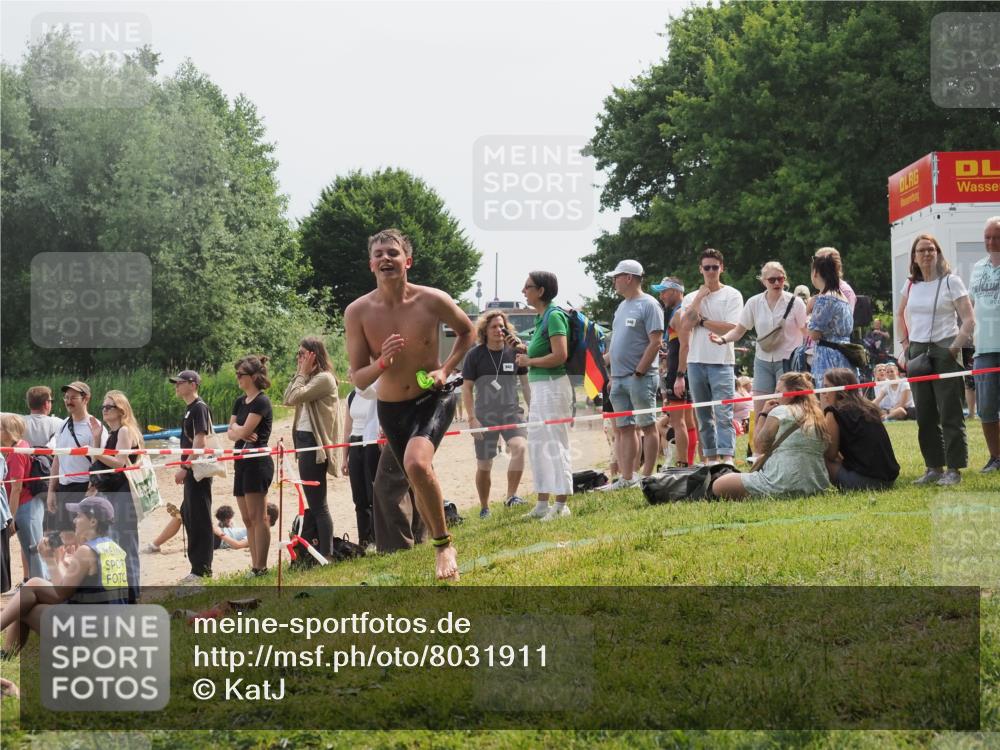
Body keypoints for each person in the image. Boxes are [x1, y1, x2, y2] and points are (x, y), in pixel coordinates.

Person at [344, 228, 475, 580]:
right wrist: (382, 362)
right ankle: (433, 537)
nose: (385, 258)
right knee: (416, 478)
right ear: (371, 264)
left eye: (393, 252)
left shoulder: (432, 299)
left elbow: (468, 331)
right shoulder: (357, 312)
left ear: (408, 261)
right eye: (378, 254)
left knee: (416, 464)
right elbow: (359, 379)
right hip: (391, 409)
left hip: (433, 398)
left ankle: (444, 546)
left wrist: (445, 369)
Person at [1, 496, 127, 657]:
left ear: (93, 521)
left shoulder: (86, 551)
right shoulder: (113, 547)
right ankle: (5, 655)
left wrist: (51, 560)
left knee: (23, 608)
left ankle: (6, 655)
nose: (74, 520)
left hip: (92, 632)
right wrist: (65, 564)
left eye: (79, 516)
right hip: (112, 627)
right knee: (33, 585)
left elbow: (61, 593)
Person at [898, 234, 975, 486]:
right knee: (925, 414)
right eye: (921, 250)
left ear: (938, 253)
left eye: (931, 249)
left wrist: (954, 348)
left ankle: (954, 469)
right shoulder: (910, 285)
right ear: (914, 257)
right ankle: (933, 467)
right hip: (918, 351)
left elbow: (969, 319)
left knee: (950, 412)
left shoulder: (952, 281)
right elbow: (899, 314)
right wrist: (905, 345)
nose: (927, 254)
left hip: (945, 348)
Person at [504, 271, 574, 520]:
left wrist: (529, 360)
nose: (523, 291)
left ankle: (561, 505)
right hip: (542, 388)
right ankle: (543, 502)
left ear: (541, 291)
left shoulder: (554, 316)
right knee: (538, 444)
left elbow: (560, 355)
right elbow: (542, 350)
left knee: (555, 444)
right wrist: (522, 348)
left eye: (528, 287)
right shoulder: (541, 318)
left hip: (554, 387)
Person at [710, 261, 807, 422]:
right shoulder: (754, 302)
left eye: (780, 279)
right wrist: (723, 339)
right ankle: (759, 439)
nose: (776, 283)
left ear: (785, 279)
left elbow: (806, 332)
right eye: (772, 280)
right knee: (761, 412)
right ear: (763, 281)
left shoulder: (796, 302)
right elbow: (739, 330)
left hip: (788, 362)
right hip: (762, 361)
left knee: (787, 412)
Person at [597, 259, 664, 490]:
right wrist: (608, 368)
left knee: (648, 426)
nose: (614, 282)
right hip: (618, 379)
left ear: (628, 278)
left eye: (616, 277)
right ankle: (627, 477)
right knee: (624, 428)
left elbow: (656, 342)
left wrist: (639, 371)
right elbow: (617, 343)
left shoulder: (650, 304)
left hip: (640, 377)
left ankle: (647, 477)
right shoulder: (621, 306)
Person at [711, 372, 830, 499]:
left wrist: (763, 414)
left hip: (780, 483)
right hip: (816, 486)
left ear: (792, 394)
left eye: (778, 391)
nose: (774, 395)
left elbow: (759, 447)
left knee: (719, 485)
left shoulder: (780, 411)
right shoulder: (819, 417)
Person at [461, 310, 530, 518]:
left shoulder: (515, 352)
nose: (499, 330)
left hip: (511, 411)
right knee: (485, 464)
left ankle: (511, 497)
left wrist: (533, 410)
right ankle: (484, 507)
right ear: (485, 330)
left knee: (519, 447)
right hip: (485, 414)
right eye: (494, 327)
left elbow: (525, 385)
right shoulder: (475, 355)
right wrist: (472, 419)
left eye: (502, 326)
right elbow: (466, 389)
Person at [282, 336, 343, 558]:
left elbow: (294, 397)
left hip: (314, 445)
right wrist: (302, 373)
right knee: (315, 502)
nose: (298, 358)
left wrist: (301, 374)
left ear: (313, 355)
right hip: (304, 441)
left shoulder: (324, 378)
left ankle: (327, 554)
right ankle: (323, 551)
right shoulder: (309, 378)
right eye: (298, 354)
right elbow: (287, 397)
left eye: (302, 354)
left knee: (318, 505)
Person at [682, 248, 744, 465]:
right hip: (695, 361)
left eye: (714, 267)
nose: (710, 271)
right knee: (703, 416)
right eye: (706, 267)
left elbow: (731, 327)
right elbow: (685, 324)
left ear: (721, 268)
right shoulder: (691, 297)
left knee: (724, 413)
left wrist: (702, 321)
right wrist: (700, 297)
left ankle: (727, 459)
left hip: (722, 362)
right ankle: (710, 459)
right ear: (700, 269)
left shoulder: (733, 295)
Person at [88, 390, 142, 603]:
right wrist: (95, 439)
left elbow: (119, 463)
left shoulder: (125, 431)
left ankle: (133, 594)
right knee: (115, 542)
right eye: (103, 406)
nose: (104, 410)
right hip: (112, 493)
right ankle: (122, 592)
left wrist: (96, 450)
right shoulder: (113, 433)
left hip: (123, 493)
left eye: (109, 406)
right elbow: (100, 462)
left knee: (126, 543)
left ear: (121, 410)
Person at [227, 355, 275, 576]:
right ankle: (254, 565)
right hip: (240, 461)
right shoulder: (240, 401)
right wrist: (239, 430)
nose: (237, 377)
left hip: (257, 462)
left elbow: (243, 431)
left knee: (259, 517)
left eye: (241, 374)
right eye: (237, 374)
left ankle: (261, 567)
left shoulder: (261, 401)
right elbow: (231, 433)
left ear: (254, 376)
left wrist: (238, 429)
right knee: (247, 518)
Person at [46, 382, 107, 546]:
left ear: (86, 399)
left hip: (84, 488)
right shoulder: (63, 424)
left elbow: (101, 463)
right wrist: (51, 490)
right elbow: (57, 459)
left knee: (83, 537)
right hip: (64, 488)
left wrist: (92, 488)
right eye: (66, 397)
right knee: (66, 538)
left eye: (73, 398)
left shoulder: (96, 427)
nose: (68, 401)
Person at [820, 368, 899, 491]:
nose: (823, 393)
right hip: (889, 479)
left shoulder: (833, 413)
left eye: (826, 387)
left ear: (840, 389)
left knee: (818, 456)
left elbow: (830, 454)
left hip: (863, 481)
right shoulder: (869, 408)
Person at [170, 370, 215, 583]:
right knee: (189, 515)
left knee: (200, 518)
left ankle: (202, 570)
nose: (176, 385)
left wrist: (185, 468)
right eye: (176, 382)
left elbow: (200, 442)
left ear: (193, 384)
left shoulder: (199, 407)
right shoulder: (190, 409)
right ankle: (197, 568)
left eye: (180, 382)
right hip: (192, 471)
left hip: (198, 472)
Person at [19, 386, 63, 580]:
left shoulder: (20, 423)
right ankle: (55, 574)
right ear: (47, 404)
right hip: (51, 480)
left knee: (29, 534)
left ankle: (28, 576)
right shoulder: (57, 423)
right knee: (52, 530)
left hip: (27, 483)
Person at [653, 276, 697, 468]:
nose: (661, 296)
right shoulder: (680, 312)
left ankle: (683, 464)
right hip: (682, 370)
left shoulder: (679, 313)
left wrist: (679, 376)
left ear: (676, 291)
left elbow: (685, 346)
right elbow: (680, 344)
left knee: (678, 422)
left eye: (664, 291)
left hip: (678, 373)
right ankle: (688, 463)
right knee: (688, 421)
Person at [969, 215, 1000, 472]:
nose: (991, 242)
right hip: (984, 349)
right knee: (986, 409)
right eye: (987, 237)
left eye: (997, 237)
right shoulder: (978, 268)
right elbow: (970, 305)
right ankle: (996, 457)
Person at [2, 414, 42, 584]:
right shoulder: (19, 446)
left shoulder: (16, 453)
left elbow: (16, 488)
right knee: (31, 549)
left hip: (24, 506)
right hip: (26, 505)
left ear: (9, 431)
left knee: (33, 550)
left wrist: (11, 517)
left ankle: (42, 586)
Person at [343, 370, 379, 547]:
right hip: (355, 443)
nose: (350, 374)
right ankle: (364, 540)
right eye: (350, 372)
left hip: (370, 442)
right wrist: (345, 457)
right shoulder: (350, 397)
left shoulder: (373, 393)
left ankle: (377, 537)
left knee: (372, 494)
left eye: (354, 371)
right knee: (359, 496)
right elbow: (347, 429)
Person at [807, 252, 854, 387]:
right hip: (844, 355)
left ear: (815, 273)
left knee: (829, 397)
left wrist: (809, 315)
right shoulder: (842, 296)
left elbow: (814, 334)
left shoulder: (825, 298)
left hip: (828, 359)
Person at [214, 503, 278, 550]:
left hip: (218, 538)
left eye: (259, 513)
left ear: (267, 518)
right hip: (217, 533)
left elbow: (238, 545)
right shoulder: (256, 529)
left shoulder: (260, 534)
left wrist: (221, 534)